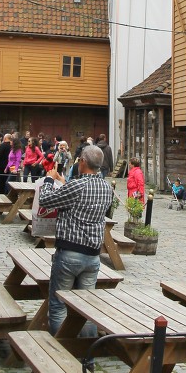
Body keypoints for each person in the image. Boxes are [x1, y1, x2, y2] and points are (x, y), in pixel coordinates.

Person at [37, 144, 111, 335]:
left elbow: (46, 200)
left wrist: (48, 180)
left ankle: (64, 352)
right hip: (93, 255)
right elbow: (78, 202)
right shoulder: (105, 187)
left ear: (83, 162)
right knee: (86, 308)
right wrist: (64, 184)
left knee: (58, 304)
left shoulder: (77, 185)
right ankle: (86, 356)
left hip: (70, 252)